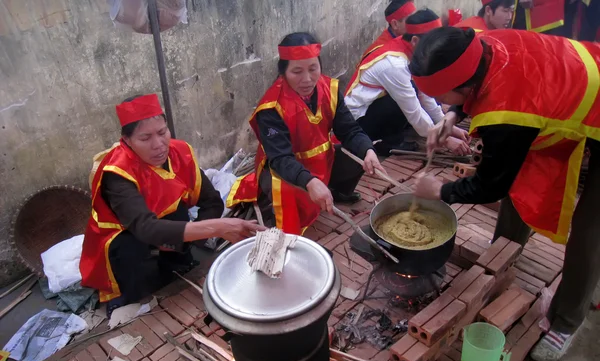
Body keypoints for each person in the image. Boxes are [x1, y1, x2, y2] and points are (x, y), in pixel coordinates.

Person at [409, 27, 600, 361]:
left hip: (586, 96)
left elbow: (491, 185)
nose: (438, 103)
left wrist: (440, 190)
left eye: (441, 97)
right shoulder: (480, 44)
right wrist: (451, 116)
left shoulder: (509, 113)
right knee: (521, 176)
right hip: (559, 87)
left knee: (590, 230)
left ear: (463, 85)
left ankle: (567, 320)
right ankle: (505, 250)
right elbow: (474, 89)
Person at [80, 94, 265, 314]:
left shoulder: (179, 153)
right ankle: (126, 293)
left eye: (162, 132)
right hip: (125, 233)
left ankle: (176, 264)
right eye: (145, 138)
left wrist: (191, 239)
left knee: (177, 213)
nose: (158, 145)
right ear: (127, 141)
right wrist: (218, 228)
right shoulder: (117, 173)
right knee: (131, 255)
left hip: (160, 224)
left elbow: (211, 201)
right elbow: (145, 227)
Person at [227, 33, 384, 235]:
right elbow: (281, 158)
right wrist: (309, 181)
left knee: (359, 155)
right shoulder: (272, 107)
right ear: (283, 72)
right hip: (285, 169)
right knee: (287, 191)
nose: (307, 79)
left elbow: (350, 130)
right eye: (297, 71)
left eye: (313, 69)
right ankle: (277, 216)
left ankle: (337, 192)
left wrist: (368, 150)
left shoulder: (330, 89)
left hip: (321, 160)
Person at [345, 9, 471, 156]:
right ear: (416, 40)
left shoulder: (412, 48)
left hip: (375, 110)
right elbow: (414, 110)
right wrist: (445, 140)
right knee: (404, 98)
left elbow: (426, 96)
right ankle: (387, 142)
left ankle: (387, 139)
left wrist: (447, 126)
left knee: (414, 91)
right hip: (358, 123)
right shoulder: (395, 64)